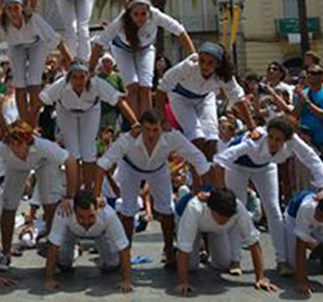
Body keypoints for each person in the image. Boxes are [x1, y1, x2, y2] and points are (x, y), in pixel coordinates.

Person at [214, 115, 323, 275]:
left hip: (266, 167)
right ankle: (235, 259)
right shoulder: (253, 141)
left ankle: (281, 261)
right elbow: (220, 160)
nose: (273, 142)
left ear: (286, 140)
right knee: (236, 207)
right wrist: (221, 190)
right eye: (271, 137)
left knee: (274, 210)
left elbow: (313, 159)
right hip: (237, 167)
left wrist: (322, 188)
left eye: (279, 139)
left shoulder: (293, 141)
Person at [94, 109, 211, 266]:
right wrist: (96, 195)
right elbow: (103, 164)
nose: (151, 134)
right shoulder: (127, 139)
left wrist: (207, 188)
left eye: (156, 130)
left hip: (158, 169)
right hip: (130, 168)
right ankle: (125, 252)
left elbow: (198, 157)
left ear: (161, 128)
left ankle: (169, 251)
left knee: (167, 209)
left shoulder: (172, 137)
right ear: (140, 128)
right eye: (147, 129)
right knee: (128, 209)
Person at [0, 120, 79, 265]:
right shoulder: (4, 147)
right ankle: (5, 254)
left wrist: (70, 196)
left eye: (19, 144)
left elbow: (71, 162)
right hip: (16, 167)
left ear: (29, 141)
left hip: (44, 163)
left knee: (50, 207)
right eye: (12, 144)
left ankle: (54, 254)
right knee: (8, 208)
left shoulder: (43, 146)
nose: (15, 148)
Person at [0, 0, 72, 125]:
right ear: (4, 10)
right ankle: (25, 123)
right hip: (16, 47)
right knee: (19, 84)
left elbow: (53, 37)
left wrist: (69, 58)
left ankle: (33, 123)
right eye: (9, 9)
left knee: (34, 83)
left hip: (37, 44)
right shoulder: (1, 23)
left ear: (22, 8)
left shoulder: (34, 19)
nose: (13, 13)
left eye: (16, 8)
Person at [90, 0, 195, 119]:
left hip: (145, 50)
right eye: (136, 14)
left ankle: (146, 123)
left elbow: (180, 31)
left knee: (146, 86)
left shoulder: (155, 15)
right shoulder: (121, 21)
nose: (140, 18)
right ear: (129, 14)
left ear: (148, 12)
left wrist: (194, 56)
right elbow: (100, 42)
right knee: (132, 86)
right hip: (122, 50)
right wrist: (91, 69)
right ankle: (134, 125)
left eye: (143, 14)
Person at [41, 61, 138, 187]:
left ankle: (88, 189)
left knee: (89, 150)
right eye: (74, 77)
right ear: (69, 77)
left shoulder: (97, 83)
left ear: (88, 76)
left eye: (82, 77)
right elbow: (40, 100)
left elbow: (118, 100)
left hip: (90, 111)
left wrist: (135, 123)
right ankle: (73, 190)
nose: (78, 81)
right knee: (72, 150)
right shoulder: (60, 85)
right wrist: (29, 125)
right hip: (66, 112)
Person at [156, 43, 257, 164]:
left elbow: (238, 99)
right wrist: (163, 120)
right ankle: (198, 177)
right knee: (196, 138)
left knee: (212, 139)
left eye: (210, 63)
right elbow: (160, 91)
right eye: (202, 61)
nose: (205, 66)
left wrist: (252, 128)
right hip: (180, 98)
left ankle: (210, 174)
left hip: (205, 98)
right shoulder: (188, 66)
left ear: (218, 64)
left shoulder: (224, 76)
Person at [174, 188, 278, 295]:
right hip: (186, 219)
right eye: (221, 217)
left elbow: (253, 242)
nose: (224, 221)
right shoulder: (194, 208)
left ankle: (204, 245)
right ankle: (185, 243)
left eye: (228, 218)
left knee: (223, 264)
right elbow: (184, 249)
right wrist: (183, 282)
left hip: (216, 230)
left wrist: (260, 277)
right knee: (191, 266)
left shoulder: (238, 208)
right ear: (210, 209)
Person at [43, 190, 134, 292]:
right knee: (63, 264)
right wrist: (49, 279)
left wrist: (127, 280)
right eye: (80, 217)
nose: (86, 222)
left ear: (97, 209)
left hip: (101, 234)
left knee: (112, 264)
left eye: (91, 216)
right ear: (73, 211)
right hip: (71, 233)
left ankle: (99, 254)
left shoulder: (108, 214)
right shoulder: (64, 211)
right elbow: (53, 246)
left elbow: (123, 247)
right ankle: (75, 250)